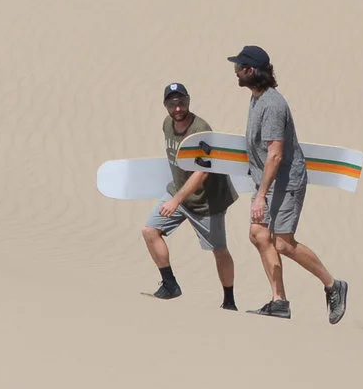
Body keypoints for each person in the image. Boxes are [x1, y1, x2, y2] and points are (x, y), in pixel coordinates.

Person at [228, 45, 349, 324]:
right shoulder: (257, 98)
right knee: (259, 235)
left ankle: (333, 285)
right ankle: (279, 301)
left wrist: (261, 195)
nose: (235, 72)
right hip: (266, 181)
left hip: (283, 182)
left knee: (282, 243)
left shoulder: (272, 105)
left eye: (239, 68)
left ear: (251, 70)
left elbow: (276, 154)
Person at [142, 82, 237, 308]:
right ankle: (170, 285)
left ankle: (229, 301)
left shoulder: (201, 129)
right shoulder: (167, 124)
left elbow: (202, 172)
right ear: (165, 105)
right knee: (150, 230)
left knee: (219, 250)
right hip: (178, 193)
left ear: (188, 101)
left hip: (207, 202)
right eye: (172, 104)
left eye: (181, 103)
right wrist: (176, 197)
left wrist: (176, 201)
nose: (177, 109)